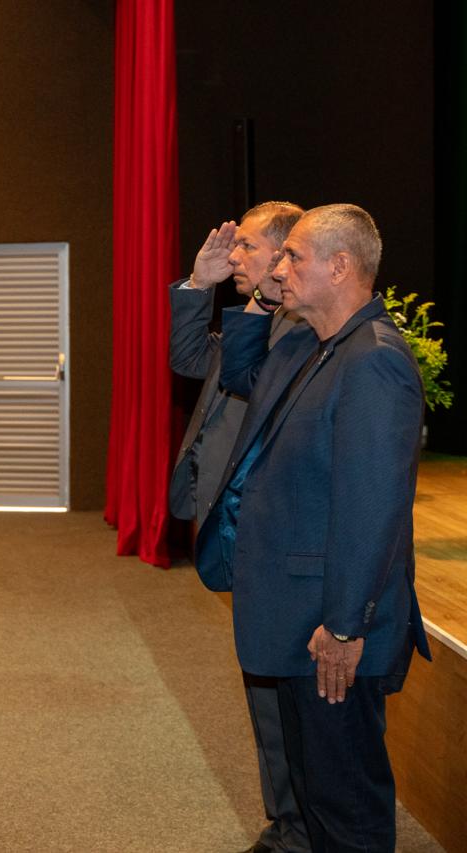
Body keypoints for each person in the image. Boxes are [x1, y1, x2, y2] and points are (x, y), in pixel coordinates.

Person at [196, 204, 431, 852]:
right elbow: (244, 374)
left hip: (334, 634)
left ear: (341, 266)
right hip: (301, 621)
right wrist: (259, 306)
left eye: (294, 256)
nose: (280, 265)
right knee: (315, 798)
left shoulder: (373, 361)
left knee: (346, 812)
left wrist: (346, 625)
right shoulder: (314, 345)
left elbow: (373, 511)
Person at [169, 202, 308, 853]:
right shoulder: (259, 320)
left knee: (281, 689)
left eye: (247, 247)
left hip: (265, 530)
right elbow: (190, 356)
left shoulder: (296, 332)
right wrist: (198, 284)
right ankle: (288, 818)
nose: (236, 258)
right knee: (263, 683)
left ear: (287, 253)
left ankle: (298, 823)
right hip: (236, 526)